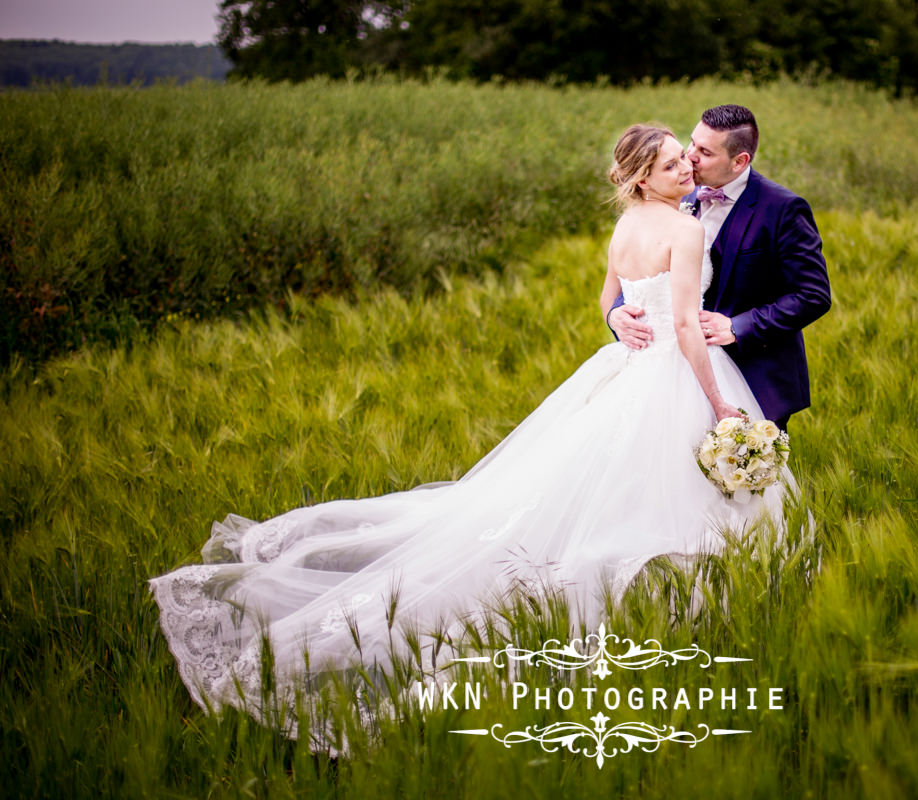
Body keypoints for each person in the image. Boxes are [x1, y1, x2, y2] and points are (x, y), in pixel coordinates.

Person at [149, 124, 792, 744]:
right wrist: (720, 406)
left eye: (688, 158)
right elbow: (683, 326)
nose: (687, 169)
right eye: (674, 163)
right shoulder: (681, 227)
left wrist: (619, 321)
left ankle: (653, 600)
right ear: (645, 179)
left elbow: (610, 300)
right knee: (655, 494)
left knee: (598, 492)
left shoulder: (625, 226)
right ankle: (669, 612)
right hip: (673, 373)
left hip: (624, 370)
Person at [607, 105, 831, 430]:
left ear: (739, 161)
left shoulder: (783, 209)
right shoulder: (677, 189)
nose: (690, 158)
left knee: (740, 476)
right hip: (673, 374)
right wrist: (616, 313)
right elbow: (645, 274)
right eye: (692, 144)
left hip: (754, 371)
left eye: (705, 152)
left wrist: (738, 327)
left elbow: (813, 295)